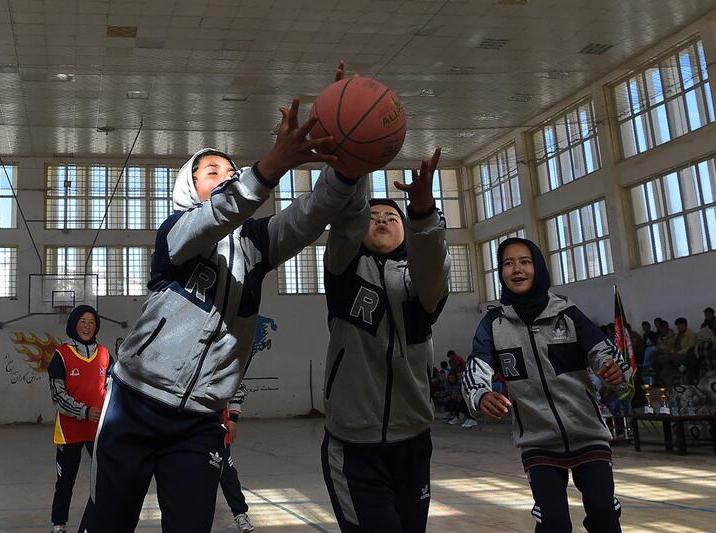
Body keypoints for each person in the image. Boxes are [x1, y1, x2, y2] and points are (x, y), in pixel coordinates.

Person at [82, 84, 366, 530]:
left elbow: (310, 214)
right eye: (212, 171)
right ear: (189, 187)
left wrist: (348, 170)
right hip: (134, 403)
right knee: (106, 524)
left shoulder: (256, 245)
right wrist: (269, 166)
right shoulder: (176, 232)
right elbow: (215, 216)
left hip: (199, 419)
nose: (226, 177)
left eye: (231, 172)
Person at [321, 149, 450, 533]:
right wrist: (355, 162)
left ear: (406, 228)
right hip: (354, 445)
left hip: (413, 441)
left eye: (391, 217)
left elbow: (432, 261)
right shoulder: (344, 270)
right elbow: (344, 225)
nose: (380, 221)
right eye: (372, 217)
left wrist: (423, 210)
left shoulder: (420, 279)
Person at [462, 238, 629, 533]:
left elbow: (605, 353)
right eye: (508, 263)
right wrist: (481, 394)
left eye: (525, 261)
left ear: (538, 267)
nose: (517, 269)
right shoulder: (493, 324)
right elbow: (478, 366)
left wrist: (615, 371)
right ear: (500, 272)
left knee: (604, 513)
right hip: (537, 440)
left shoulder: (568, 314)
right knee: (553, 523)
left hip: (587, 433)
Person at [48, 305, 112, 533]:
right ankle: (59, 522)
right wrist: (84, 411)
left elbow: (112, 389)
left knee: (104, 477)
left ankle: (100, 518)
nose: (87, 326)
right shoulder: (61, 355)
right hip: (69, 431)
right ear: (74, 323)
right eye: (82, 321)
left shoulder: (105, 354)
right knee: (65, 480)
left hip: (98, 430)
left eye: (91, 322)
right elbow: (58, 396)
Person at [219, 383, 254, 533]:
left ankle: (240, 514)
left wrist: (232, 418)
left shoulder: (224, 360)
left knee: (227, 474)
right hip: (192, 431)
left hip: (219, 430)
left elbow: (238, 386)